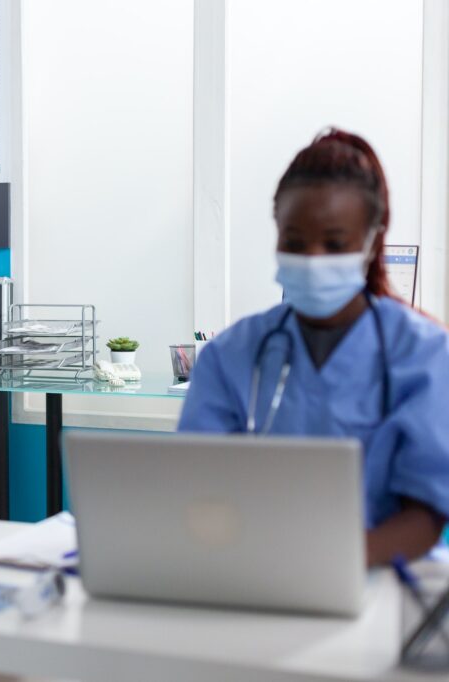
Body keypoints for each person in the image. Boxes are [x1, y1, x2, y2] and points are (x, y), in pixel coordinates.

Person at [179, 128, 449, 566]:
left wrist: (328, 565)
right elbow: (195, 490)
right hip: (250, 575)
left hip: (375, 579)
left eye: (335, 243)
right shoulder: (230, 355)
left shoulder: (422, 353)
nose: (313, 259)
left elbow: (426, 514)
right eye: (295, 243)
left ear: (370, 241)